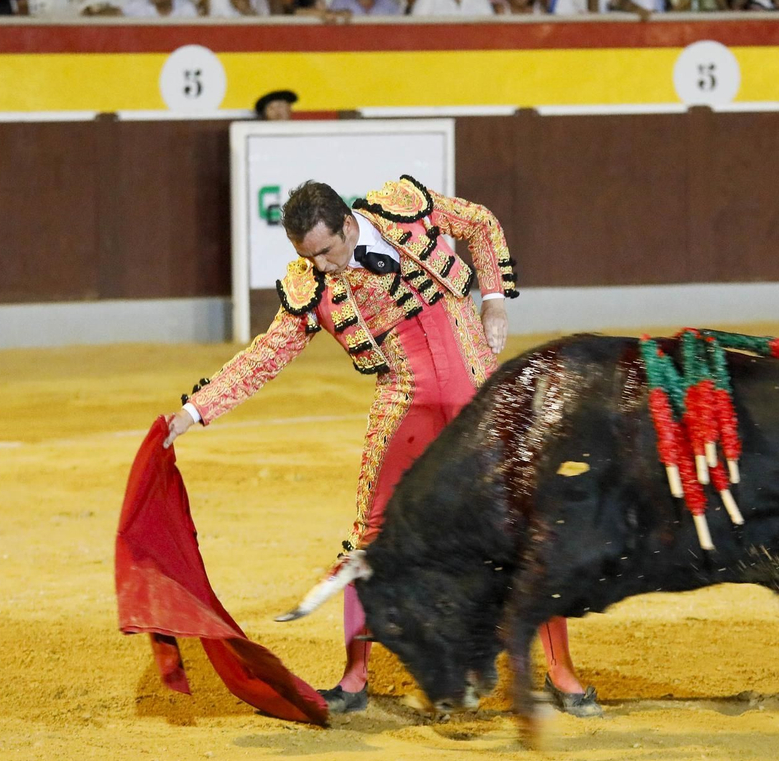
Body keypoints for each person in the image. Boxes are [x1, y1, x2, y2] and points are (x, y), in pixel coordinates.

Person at [164, 178, 598, 717]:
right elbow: (265, 355)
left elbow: (481, 224)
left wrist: (493, 301)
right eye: (308, 256)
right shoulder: (310, 285)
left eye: (325, 251)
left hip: (481, 394)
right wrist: (194, 410)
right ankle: (353, 680)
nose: (321, 266)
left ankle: (562, 673)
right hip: (405, 405)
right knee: (369, 538)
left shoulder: (405, 207)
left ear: (348, 224)